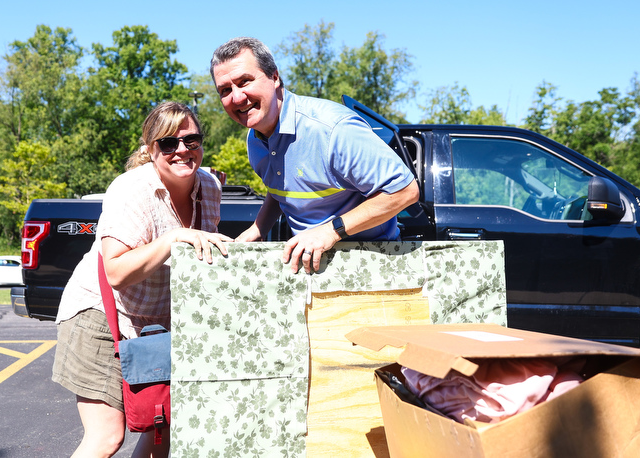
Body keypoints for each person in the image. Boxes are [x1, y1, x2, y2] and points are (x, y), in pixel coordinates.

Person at [51, 102, 231, 458]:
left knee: (163, 427)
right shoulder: (131, 190)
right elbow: (115, 271)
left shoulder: (210, 187)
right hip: (103, 315)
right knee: (107, 437)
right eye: (168, 143)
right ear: (151, 150)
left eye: (191, 140)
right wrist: (172, 238)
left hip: (159, 324)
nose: (182, 150)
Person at [210, 37, 420, 274]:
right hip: (310, 268)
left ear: (274, 77)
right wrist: (258, 229)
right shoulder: (254, 139)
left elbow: (405, 191)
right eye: (225, 90)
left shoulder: (332, 129)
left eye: (244, 81)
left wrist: (330, 231)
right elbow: (281, 187)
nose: (237, 98)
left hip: (373, 264)